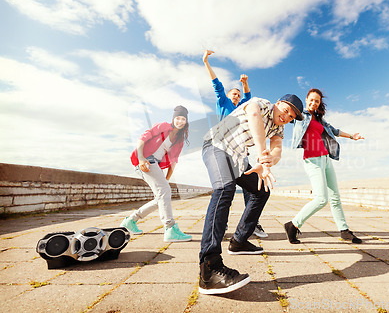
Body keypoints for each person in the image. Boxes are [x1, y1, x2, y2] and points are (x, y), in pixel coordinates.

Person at [198, 94, 304, 294]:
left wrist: (269, 160)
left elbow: (278, 149)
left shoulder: (278, 128)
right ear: (278, 103)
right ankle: (209, 268)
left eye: (291, 117)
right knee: (224, 189)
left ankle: (239, 241)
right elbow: (253, 114)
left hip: (237, 157)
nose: (286, 117)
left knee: (261, 190)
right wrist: (263, 153)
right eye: (286, 110)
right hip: (217, 145)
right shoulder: (262, 104)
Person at [283, 89, 364, 245]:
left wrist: (352, 136)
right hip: (312, 160)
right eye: (311, 100)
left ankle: (344, 230)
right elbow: (286, 115)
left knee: (335, 197)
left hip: (326, 158)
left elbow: (334, 131)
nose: (314, 103)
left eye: (317, 101)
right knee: (321, 199)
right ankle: (293, 225)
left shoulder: (320, 119)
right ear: (306, 100)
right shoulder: (300, 116)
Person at [203, 49, 268, 238]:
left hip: (240, 151)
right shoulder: (223, 102)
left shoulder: (242, 107)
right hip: (222, 148)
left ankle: (252, 224)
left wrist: (245, 84)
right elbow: (216, 84)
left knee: (253, 188)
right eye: (234, 94)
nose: (236, 97)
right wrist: (206, 61)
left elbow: (250, 100)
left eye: (238, 95)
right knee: (226, 188)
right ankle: (220, 226)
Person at [120, 105, 192, 242]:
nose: (180, 121)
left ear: (186, 121)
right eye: (178, 118)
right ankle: (170, 228)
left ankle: (130, 221)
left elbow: (173, 161)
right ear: (173, 119)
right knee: (164, 192)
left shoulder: (180, 139)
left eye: (183, 119)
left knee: (161, 197)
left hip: (155, 165)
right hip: (146, 161)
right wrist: (141, 158)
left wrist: (166, 180)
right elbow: (142, 138)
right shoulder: (163, 126)